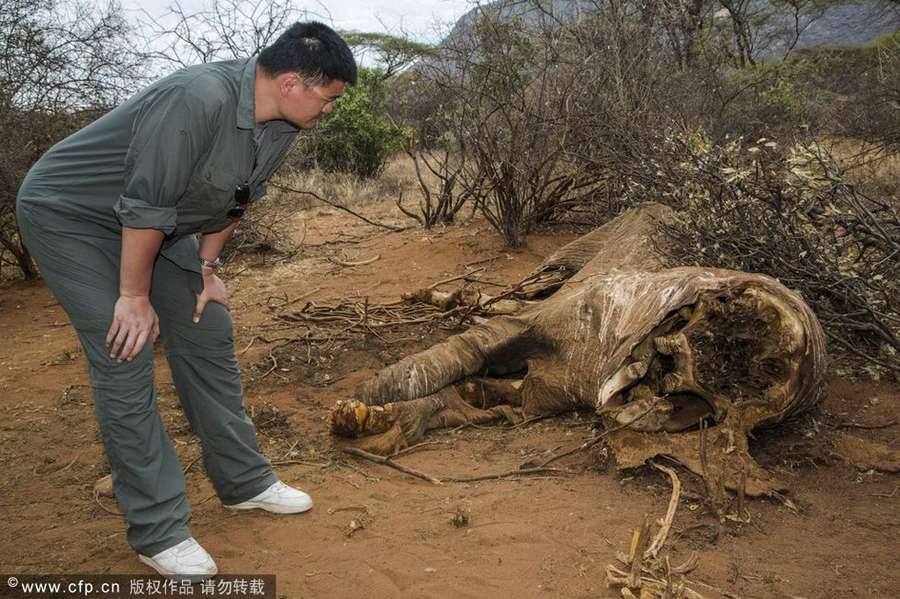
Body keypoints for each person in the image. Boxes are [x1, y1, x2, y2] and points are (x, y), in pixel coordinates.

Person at [15, 22, 357, 580]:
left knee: (207, 326)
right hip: (71, 217)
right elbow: (145, 203)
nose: (329, 111)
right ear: (293, 82)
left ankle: (244, 482)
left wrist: (205, 268)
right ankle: (159, 530)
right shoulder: (197, 97)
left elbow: (233, 201)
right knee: (124, 349)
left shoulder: (281, 123)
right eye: (328, 99)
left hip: (158, 229)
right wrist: (132, 295)